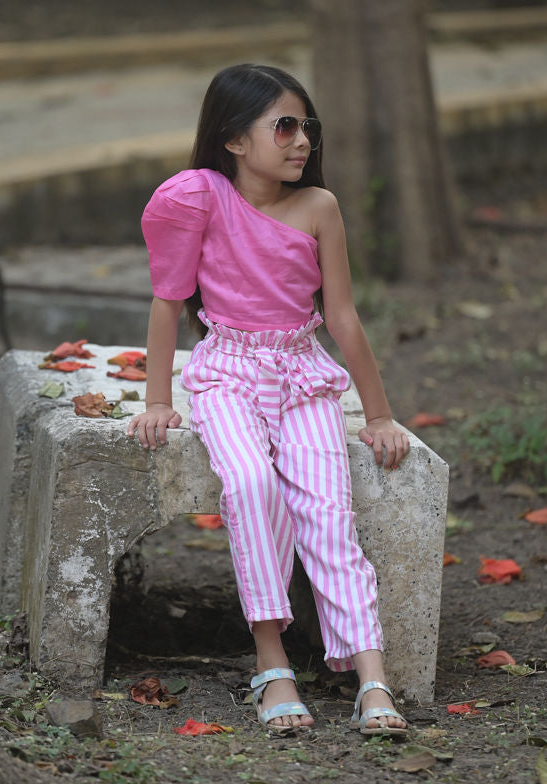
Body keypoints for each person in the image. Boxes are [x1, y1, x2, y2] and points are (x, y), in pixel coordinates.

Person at [127, 63, 410, 736]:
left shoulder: (320, 209)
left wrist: (378, 414)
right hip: (226, 374)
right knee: (251, 484)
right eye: (283, 126)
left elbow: (342, 318)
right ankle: (271, 659)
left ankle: (372, 676)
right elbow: (168, 304)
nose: (300, 140)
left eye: (306, 125)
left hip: (303, 377)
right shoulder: (200, 199)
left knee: (327, 510)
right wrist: (158, 399)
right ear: (232, 139)